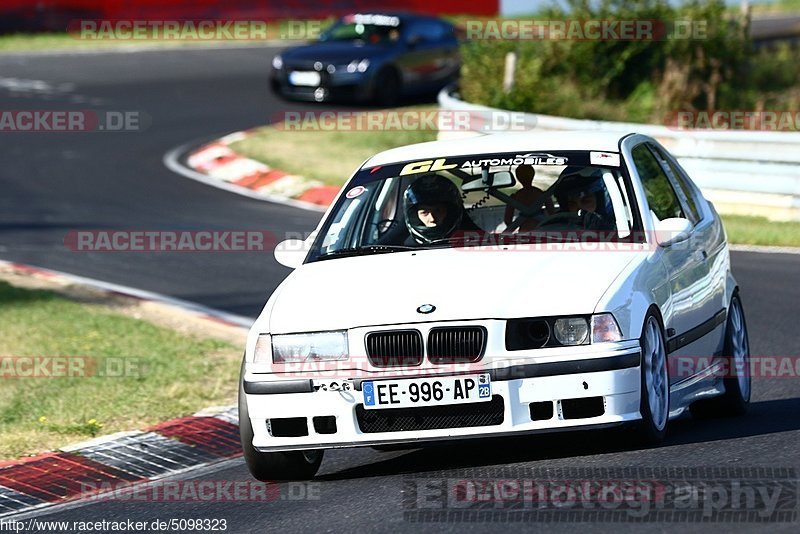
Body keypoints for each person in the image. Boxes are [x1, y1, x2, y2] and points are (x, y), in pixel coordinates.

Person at [402, 174, 479, 245]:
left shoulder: (478, 243)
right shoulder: (397, 249)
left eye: (438, 211)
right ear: (415, 215)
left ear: (450, 212)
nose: (432, 218)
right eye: (424, 213)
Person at [503, 164, 554, 230]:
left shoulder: (515, 196)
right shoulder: (542, 194)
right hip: (542, 231)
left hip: (524, 232)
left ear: (518, 177)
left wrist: (517, 223)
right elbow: (552, 215)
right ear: (533, 175)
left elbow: (507, 220)